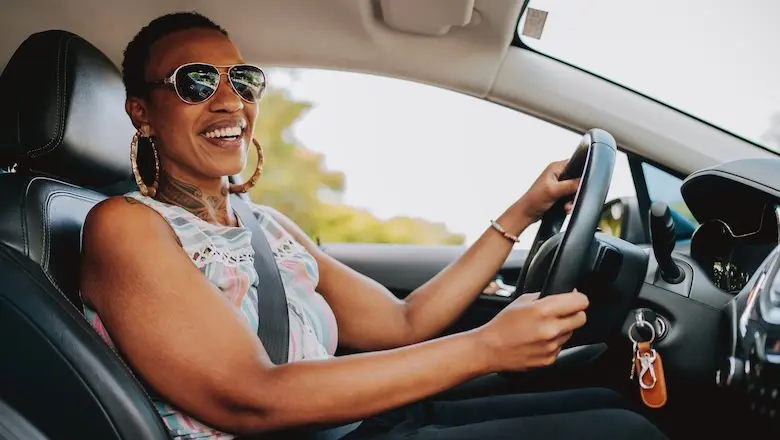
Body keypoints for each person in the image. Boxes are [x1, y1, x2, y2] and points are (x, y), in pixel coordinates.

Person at [79, 11, 668, 440]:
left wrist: (523, 211)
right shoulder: (126, 227)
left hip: (347, 425)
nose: (230, 101)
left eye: (243, 80)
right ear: (141, 113)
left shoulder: (265, 224)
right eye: (196, 82)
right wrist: (485, 347)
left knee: (609, 400)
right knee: (621, 433)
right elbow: (250, 397)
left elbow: (402, 322)